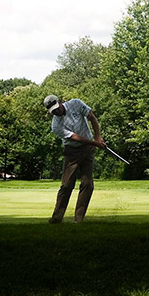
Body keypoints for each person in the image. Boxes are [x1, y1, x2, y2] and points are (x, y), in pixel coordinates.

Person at [44, 93, 105, 223]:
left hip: (88, 150)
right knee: (66, 185)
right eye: (53, 111)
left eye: (57, 108)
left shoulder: (76, 104)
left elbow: (92, 117)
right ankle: (57, 218)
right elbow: (75, 137)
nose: (56, 112)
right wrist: (95, 143)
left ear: (60, 102)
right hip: (71, 151)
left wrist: (97, 137)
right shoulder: (56, 126)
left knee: (87, 184)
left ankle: (78, 219)